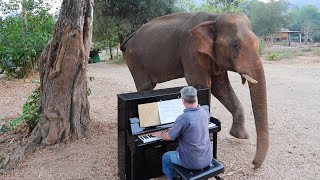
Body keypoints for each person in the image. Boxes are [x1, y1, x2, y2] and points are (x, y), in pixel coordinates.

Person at [154, 86, 213, 179]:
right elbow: (193, 129)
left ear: (183, 100)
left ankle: (172, 178)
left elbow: (169, 137)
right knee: (177, 148)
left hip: (192, 161)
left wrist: (160, 134)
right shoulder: (204, 112)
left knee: (166, 157)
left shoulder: (183, 118)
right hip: (207, 157)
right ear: (196, 98)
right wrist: (175, 128)